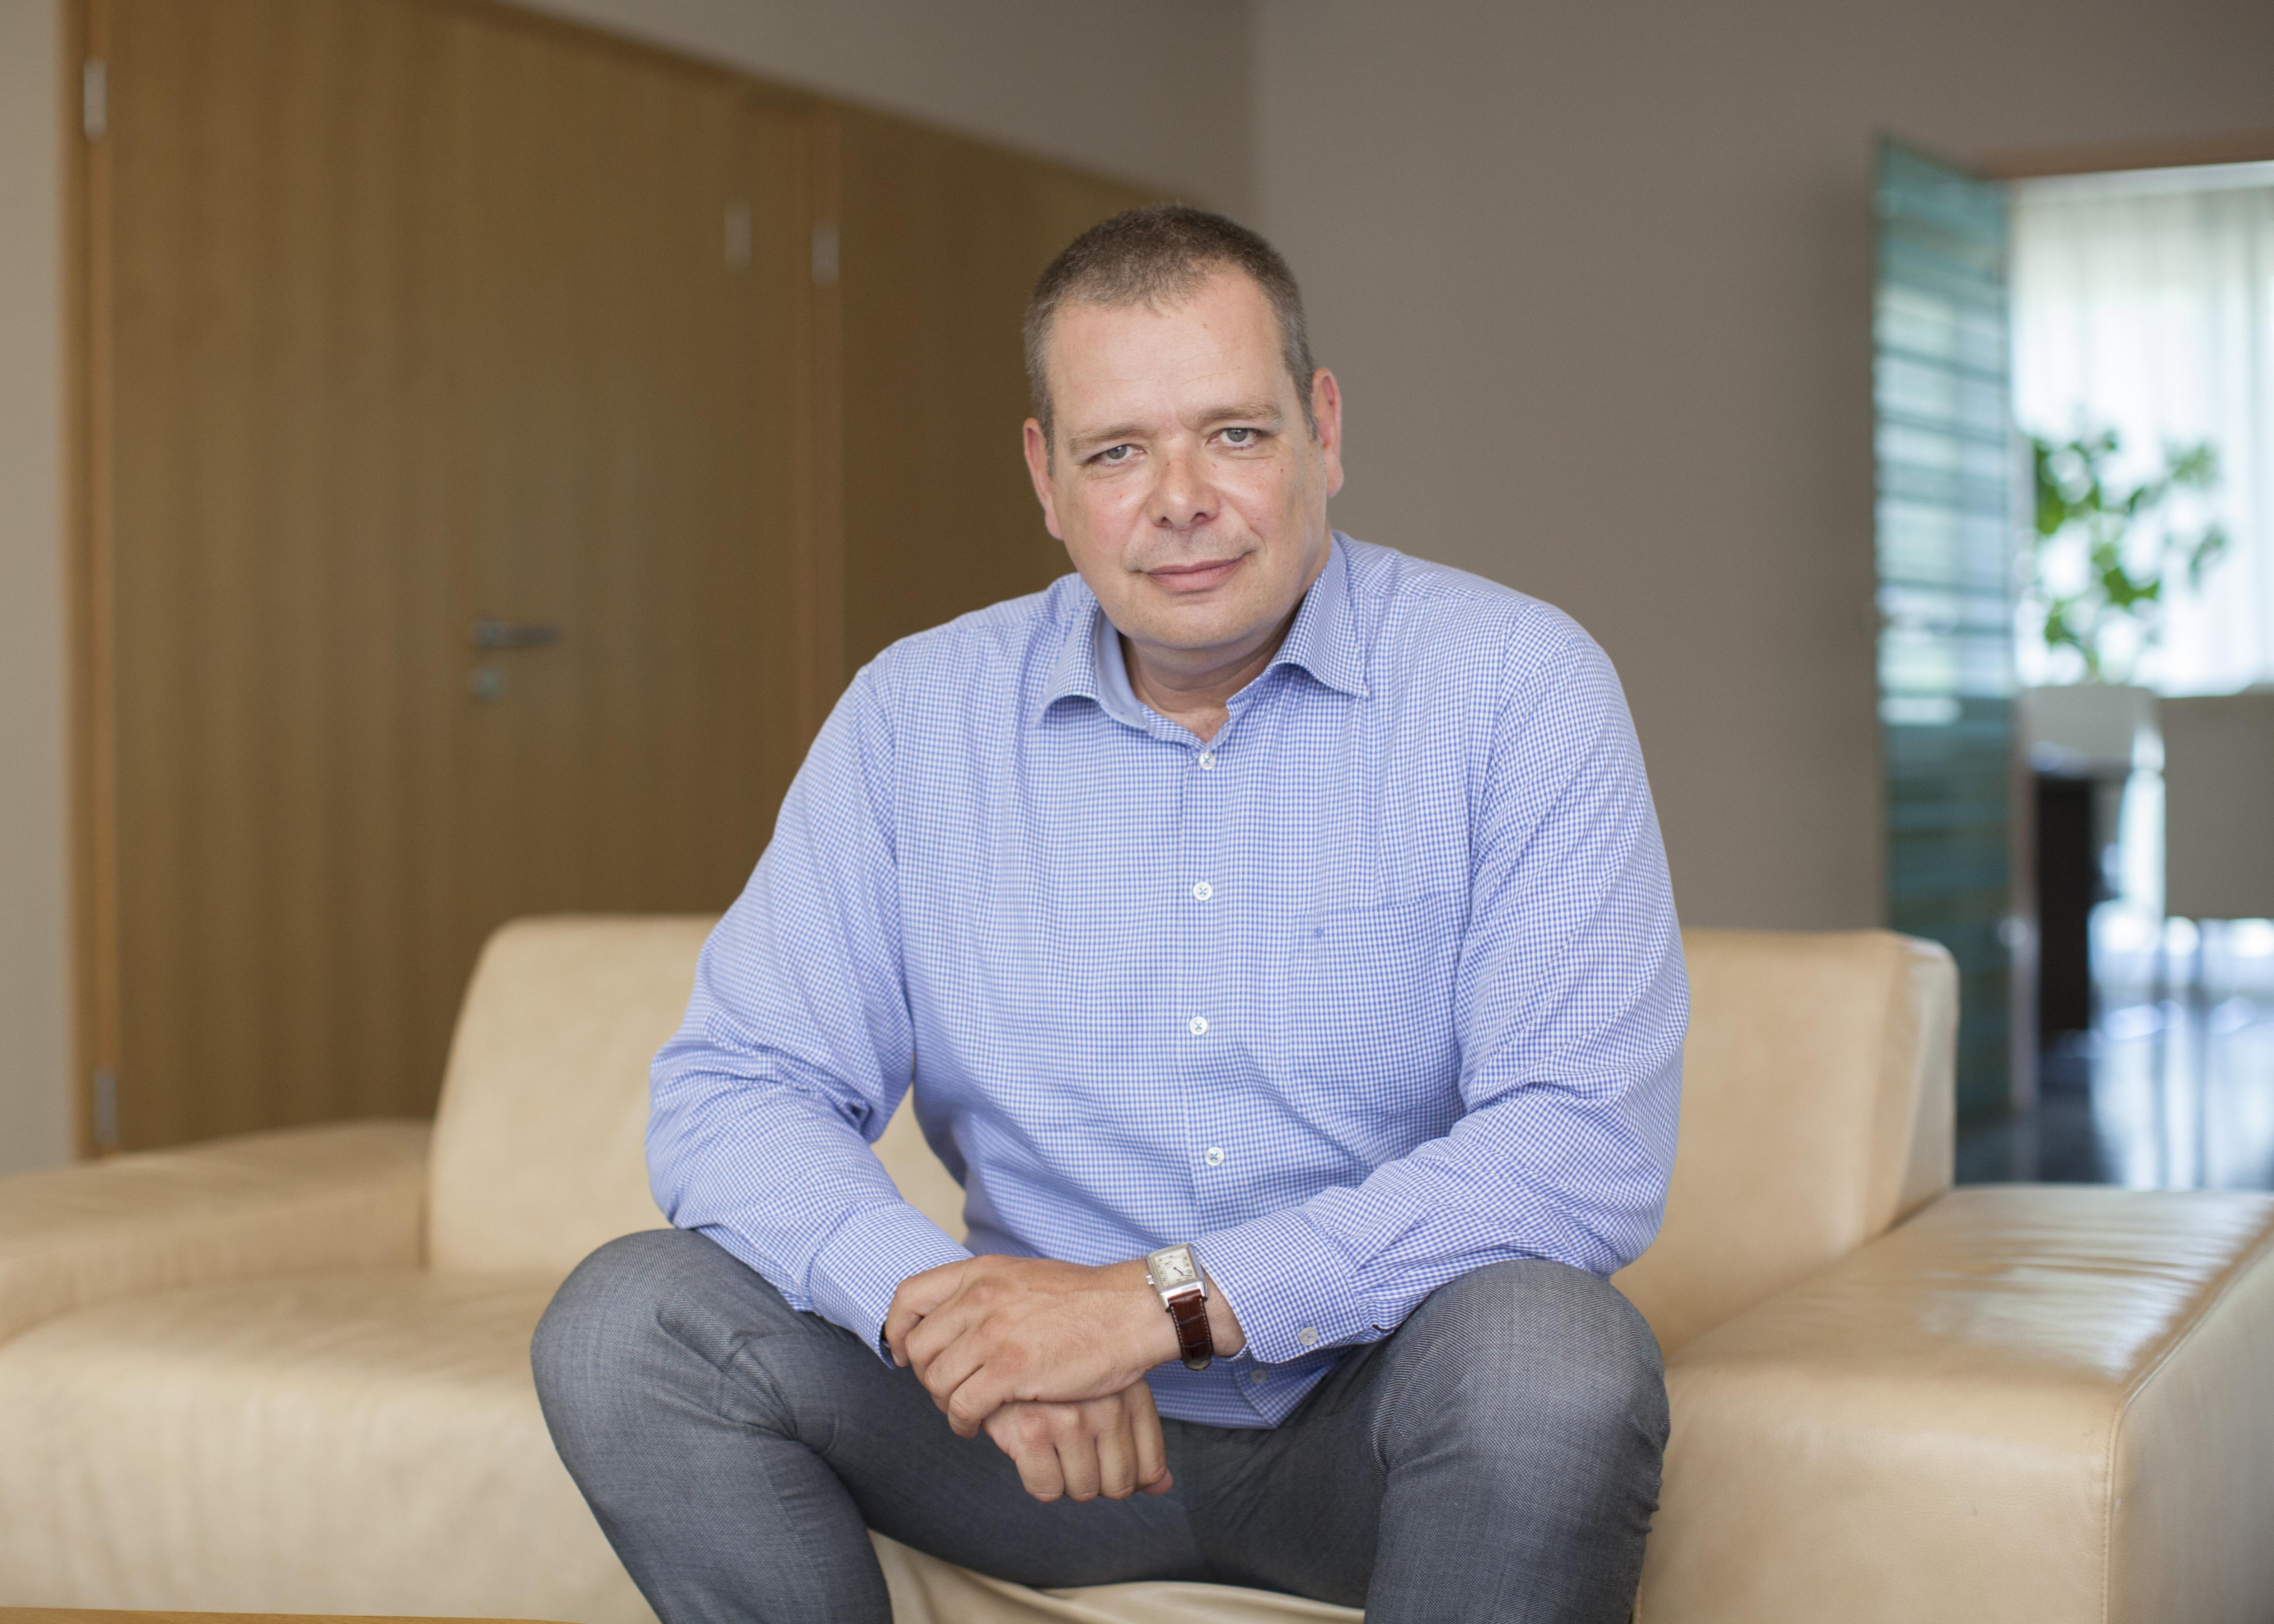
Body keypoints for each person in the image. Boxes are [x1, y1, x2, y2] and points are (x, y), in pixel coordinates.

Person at [533, 205, 1685, 1624]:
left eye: (1234, 433)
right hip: (1022, 1451)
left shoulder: (1513, 685)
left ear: (1323, 430)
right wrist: (964, 1325)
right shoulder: (915, 715)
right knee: (630, 1325)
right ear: (1045, 475)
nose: (1179, 498)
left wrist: (1151, 1307)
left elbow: (1576, 1143)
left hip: (1370, 1426)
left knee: (1556, 1355)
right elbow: (736, 1084)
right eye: (1116, 451)